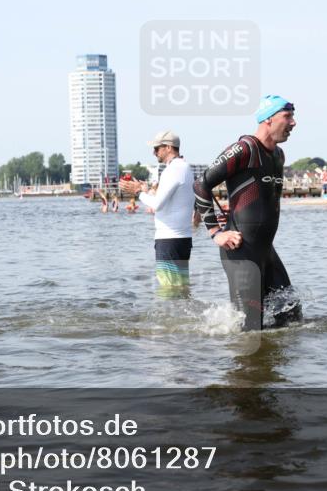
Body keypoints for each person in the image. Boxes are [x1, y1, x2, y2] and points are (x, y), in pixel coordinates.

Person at [193, 95, 302, 331]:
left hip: (266, 251)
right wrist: (216, 233)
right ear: (268, 119)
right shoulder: (244, 149)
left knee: (292, 318)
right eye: (288, 116)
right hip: (241, 252)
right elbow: (201, 184)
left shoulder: (278, 155)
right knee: (250, 330)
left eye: (293, 116)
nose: (293, 123)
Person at [119, 130, 196, 290]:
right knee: (181, 291)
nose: (154, 152)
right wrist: (146, 190)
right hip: (181, 239)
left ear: (168, 147)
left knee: (169, 292)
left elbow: (157, 204)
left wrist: (138, 192)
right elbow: (170, 201)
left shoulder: (173, 169)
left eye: (156, 148)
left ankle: (174, 316)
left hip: (169, 240)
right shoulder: (185, 167)